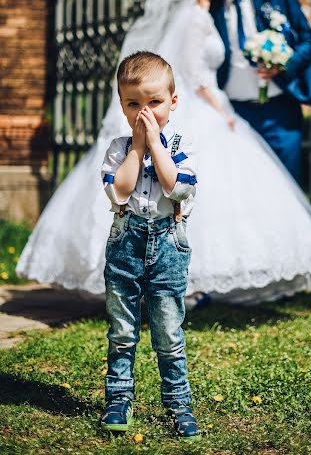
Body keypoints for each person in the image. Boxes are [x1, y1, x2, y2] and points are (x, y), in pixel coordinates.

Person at [17, 0, 311, 304]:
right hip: (203, 104)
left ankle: (165, 279)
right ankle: (186, 282)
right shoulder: (197, 18)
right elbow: (195, 75)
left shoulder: (196, 15)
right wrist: (221, 112)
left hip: (199, 100)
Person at [100, 51, 200, 439]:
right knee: (122, 329)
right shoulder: (118, 147)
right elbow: (120, 192)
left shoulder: (181, 143)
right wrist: (138, 147)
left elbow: (178, 188)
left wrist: (156, 144)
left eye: (154, 102)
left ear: (172, 102)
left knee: (168, 331)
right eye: (134, 104)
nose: (145, 112)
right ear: (123, 106)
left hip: (168, 246)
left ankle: (179, 404)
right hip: (126, 244)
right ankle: (118, 399)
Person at [204, 0, 311, 183]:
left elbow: (307, 40)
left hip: (280, 110)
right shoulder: (210, 6)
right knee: (243, 185)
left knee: (286, 183)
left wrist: (284, 65)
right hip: (236, 113)